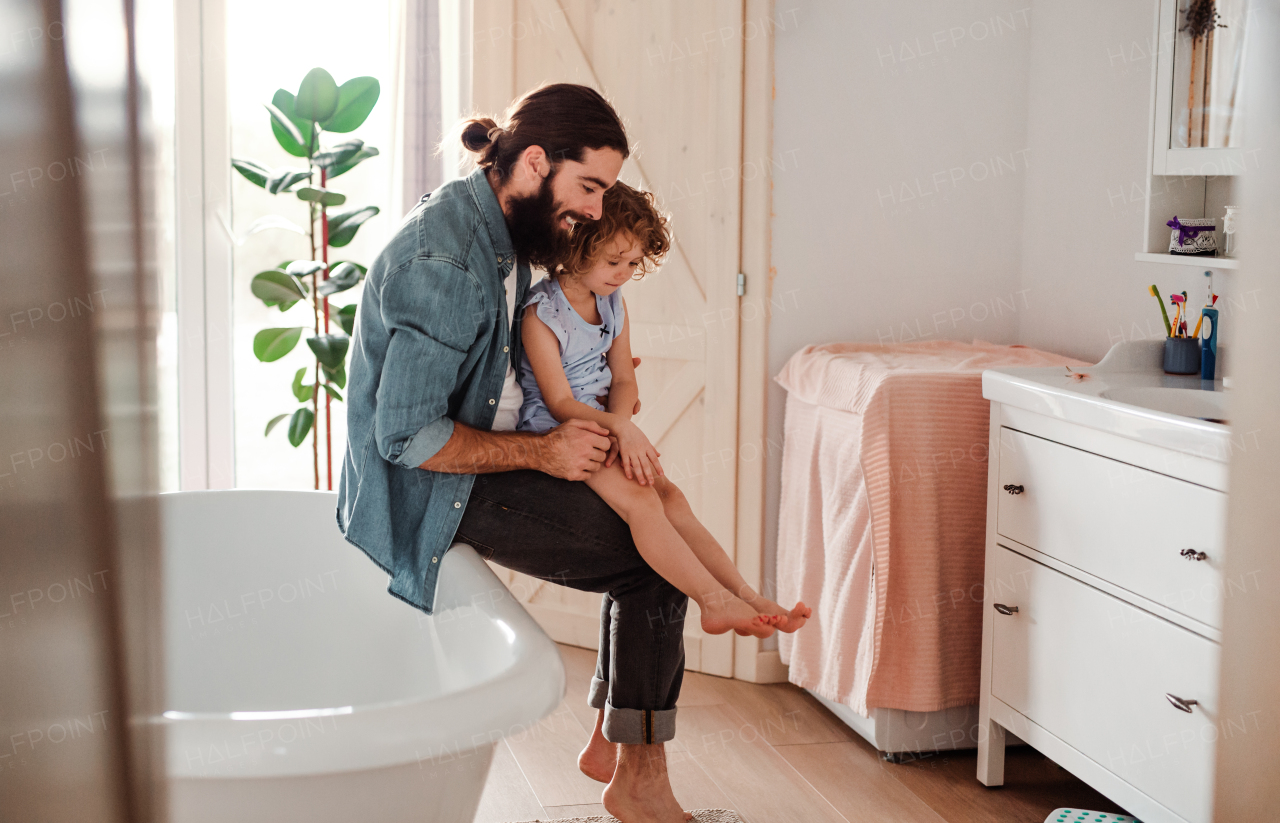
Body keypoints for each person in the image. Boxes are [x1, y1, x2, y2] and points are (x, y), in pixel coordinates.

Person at [337, 83, 695, 823]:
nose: (596, 210)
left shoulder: (507, 226)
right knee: (655, 566)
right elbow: (407, 439)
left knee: (659, 519)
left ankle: (613, 738)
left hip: (482, 455)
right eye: (589, 186)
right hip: (432, 488)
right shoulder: (446, 262)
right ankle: (640, 783)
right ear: (534, 161)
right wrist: (542, 452)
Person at [517, 181, 812, 639]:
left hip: (605, 423)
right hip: (557, 430)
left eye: (632, 263)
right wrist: (616, 427)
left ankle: (745, 596)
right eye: (613, 260)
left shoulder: (611, 302)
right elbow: (558, 403)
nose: (623, 272)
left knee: (671, 496)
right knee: (642, 501)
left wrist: (621, 429)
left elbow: (624, 378)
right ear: (576, 246)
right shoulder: (542, 314)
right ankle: (712, 603)